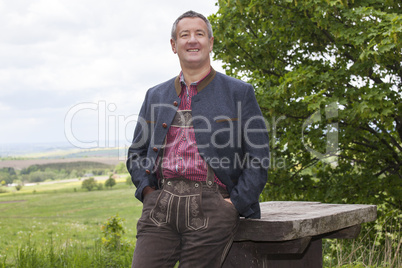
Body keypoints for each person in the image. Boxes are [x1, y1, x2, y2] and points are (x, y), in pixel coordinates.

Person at [126, 10, 270, 268]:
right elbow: (136, 153)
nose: (192, 40)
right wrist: (148, 191)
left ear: (210, 43)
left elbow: (258, 157)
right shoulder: (155, 95)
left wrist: (234, 204)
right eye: (185, 35)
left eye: (199, 34)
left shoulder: (239, 93)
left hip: (213, 205)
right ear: (174, 45)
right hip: (160, 205)